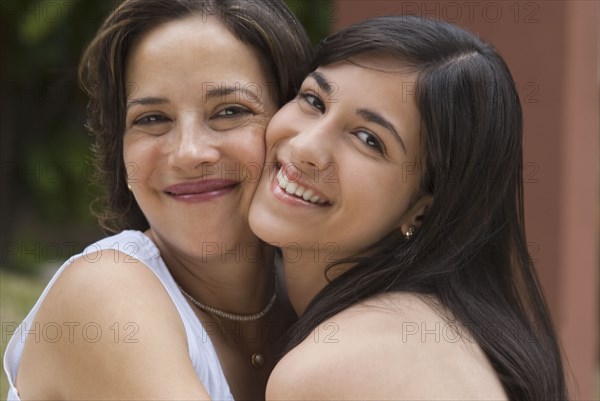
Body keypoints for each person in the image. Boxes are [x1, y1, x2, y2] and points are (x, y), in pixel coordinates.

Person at [3, 0, 312, 400]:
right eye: (151, 119)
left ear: (293, 124)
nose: (188, 152)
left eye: (230, 111)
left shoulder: (315, 294)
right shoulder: (104, 292)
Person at [249, 15, 568, 400]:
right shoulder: (429, 331)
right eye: (313, 100)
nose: (304, 147)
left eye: (368, 139)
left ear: (422, 209)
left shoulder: (334, 367)